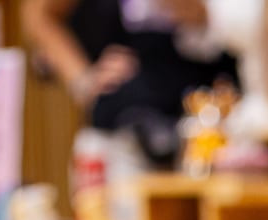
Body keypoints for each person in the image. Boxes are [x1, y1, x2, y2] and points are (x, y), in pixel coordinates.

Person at [22, 0, 237, 167]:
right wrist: (82, 80)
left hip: (202, 132)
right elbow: (39, 15)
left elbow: (208, 20)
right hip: (120, 133)